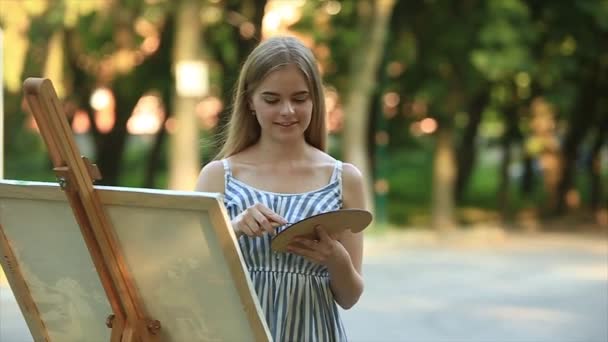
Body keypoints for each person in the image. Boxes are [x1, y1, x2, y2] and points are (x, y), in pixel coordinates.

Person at [195, 36, 366, 342]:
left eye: (300, 99)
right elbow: (191, 275)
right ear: (250, 101)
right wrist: (232, 229)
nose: (287, 111)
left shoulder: (344, 179)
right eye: (272, 99)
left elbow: (350, 297)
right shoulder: (218, 176)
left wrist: (334, 257)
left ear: (315, 100)